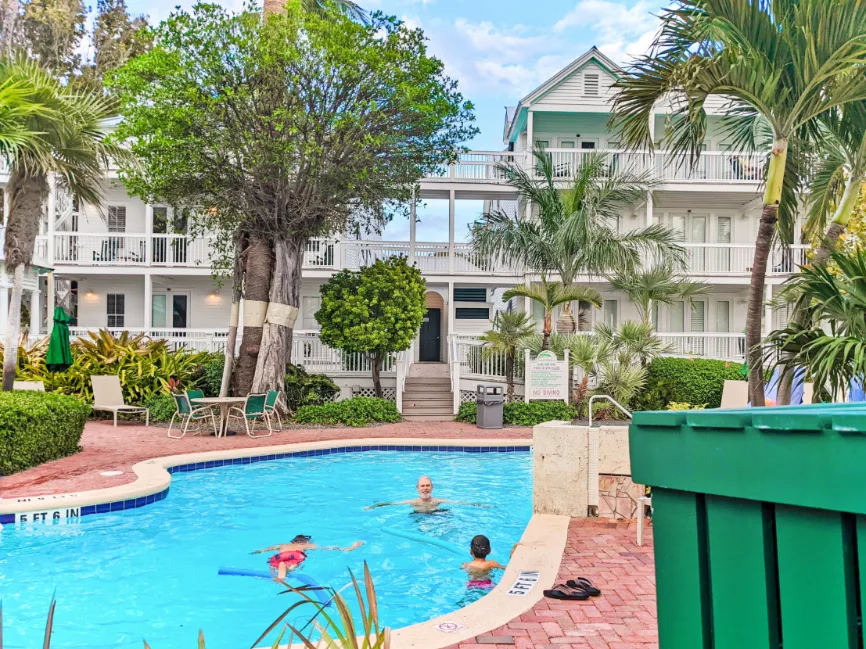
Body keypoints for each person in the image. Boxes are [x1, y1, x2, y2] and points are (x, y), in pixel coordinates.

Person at [252, 534, 364, 579]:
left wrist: (256, 552)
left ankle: (277, 572)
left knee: (274, 566)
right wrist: (351, 547)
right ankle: (285, 571)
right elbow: (329, 548)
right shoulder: (306, 545)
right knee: (291, 567)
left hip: (279, 557)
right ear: (304, 542)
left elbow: (263, 550)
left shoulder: (282, 545)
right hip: (293, 556)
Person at [364, 475, 489, 513]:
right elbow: (391, 504)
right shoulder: (413, 502)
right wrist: (374, 506)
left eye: (427, 486)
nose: (425, 488)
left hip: (436, 518)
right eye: (422, 486)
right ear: (417, 489)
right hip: (418, 518)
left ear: (432, 487)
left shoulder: (438, 501)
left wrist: (479, 505)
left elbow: (460, 503)